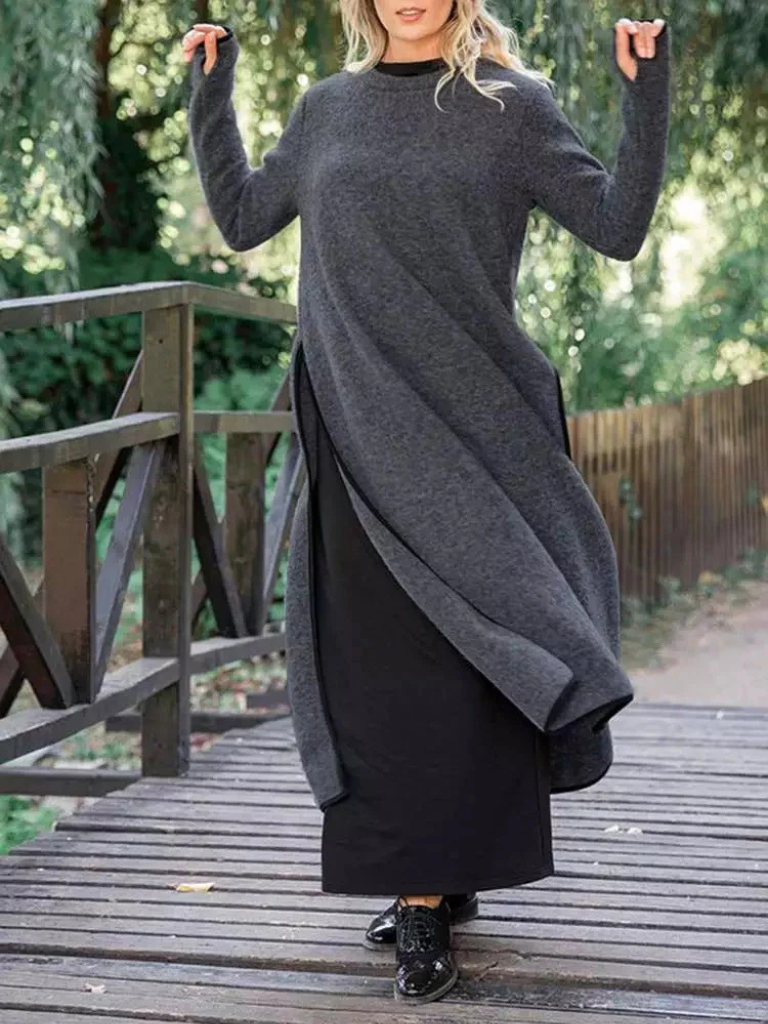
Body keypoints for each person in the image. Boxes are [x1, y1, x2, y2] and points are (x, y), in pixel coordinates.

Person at [183, 1, 671, 1006]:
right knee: (383, 672)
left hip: (476, 424)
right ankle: (422, 891)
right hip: (358, 422)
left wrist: (645, 91)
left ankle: (438, 881)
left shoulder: (512, 107)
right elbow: (242, 218)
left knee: (472, 659)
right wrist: (211, 93)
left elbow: (618, 228)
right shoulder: (328, 108)